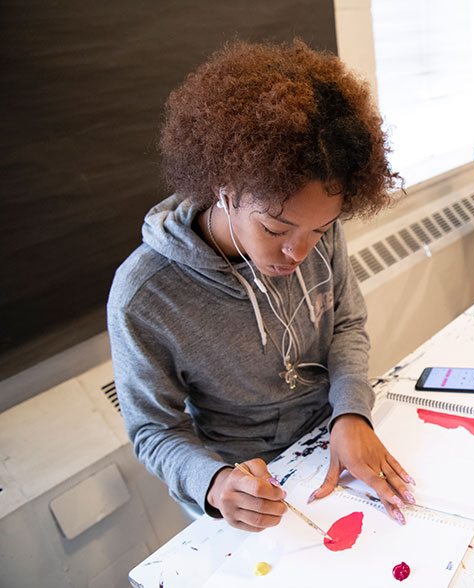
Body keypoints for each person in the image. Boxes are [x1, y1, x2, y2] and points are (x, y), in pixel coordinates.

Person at [107, 40, 413, 533]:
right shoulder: (145, 296)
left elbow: (347, 323)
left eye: (319, 230)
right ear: (224, 189)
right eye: (276, 231)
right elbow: (153, 429)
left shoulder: (316, 228)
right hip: (247, 482)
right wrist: (214, 482)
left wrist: (350, 412)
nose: (299, 253)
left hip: (327, 435)